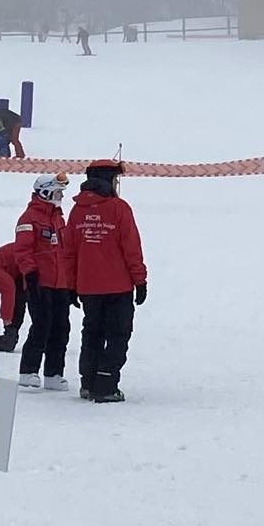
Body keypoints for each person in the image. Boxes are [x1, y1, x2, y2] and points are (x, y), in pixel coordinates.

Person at [63, 159, 147, 403]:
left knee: (92, 334)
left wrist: (71, 285)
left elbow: (69, 252)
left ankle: (88, 383)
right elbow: (131, 248)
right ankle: (106, 384)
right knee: (118, 335)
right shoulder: (119, 209)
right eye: (115, 180)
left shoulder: (77, 211)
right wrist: (139, 280)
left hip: (88, 288)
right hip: (118, 287)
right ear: (107, 180)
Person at [14, 172, 72, 390]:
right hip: (40, 282)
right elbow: (22, 250)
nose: (60, 196)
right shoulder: (29, 218)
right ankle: (28, 370)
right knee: (41, 325)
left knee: (61, 327)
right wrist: (30, 273)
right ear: (45, 191)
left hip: (60, 283)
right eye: (57, 192)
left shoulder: (59, 218)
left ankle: (54, 372)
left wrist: (70, 282)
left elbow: (64, 251)